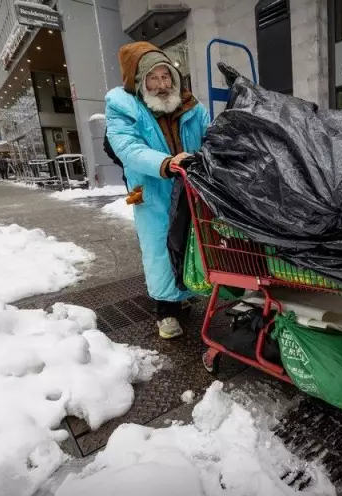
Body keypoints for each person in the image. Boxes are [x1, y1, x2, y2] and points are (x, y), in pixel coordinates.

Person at [105, 41, 209, 339]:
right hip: (153, 188)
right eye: (154, 78)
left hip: (190, 188)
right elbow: (128, 147)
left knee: (190, 242)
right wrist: (165, 163)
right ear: (141, 81)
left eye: (166, 77)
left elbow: (211, 136)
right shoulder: (122, 107)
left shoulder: (192, 106)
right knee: (159, 248)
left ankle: (184, 292)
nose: (162, 85)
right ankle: (166, 311)